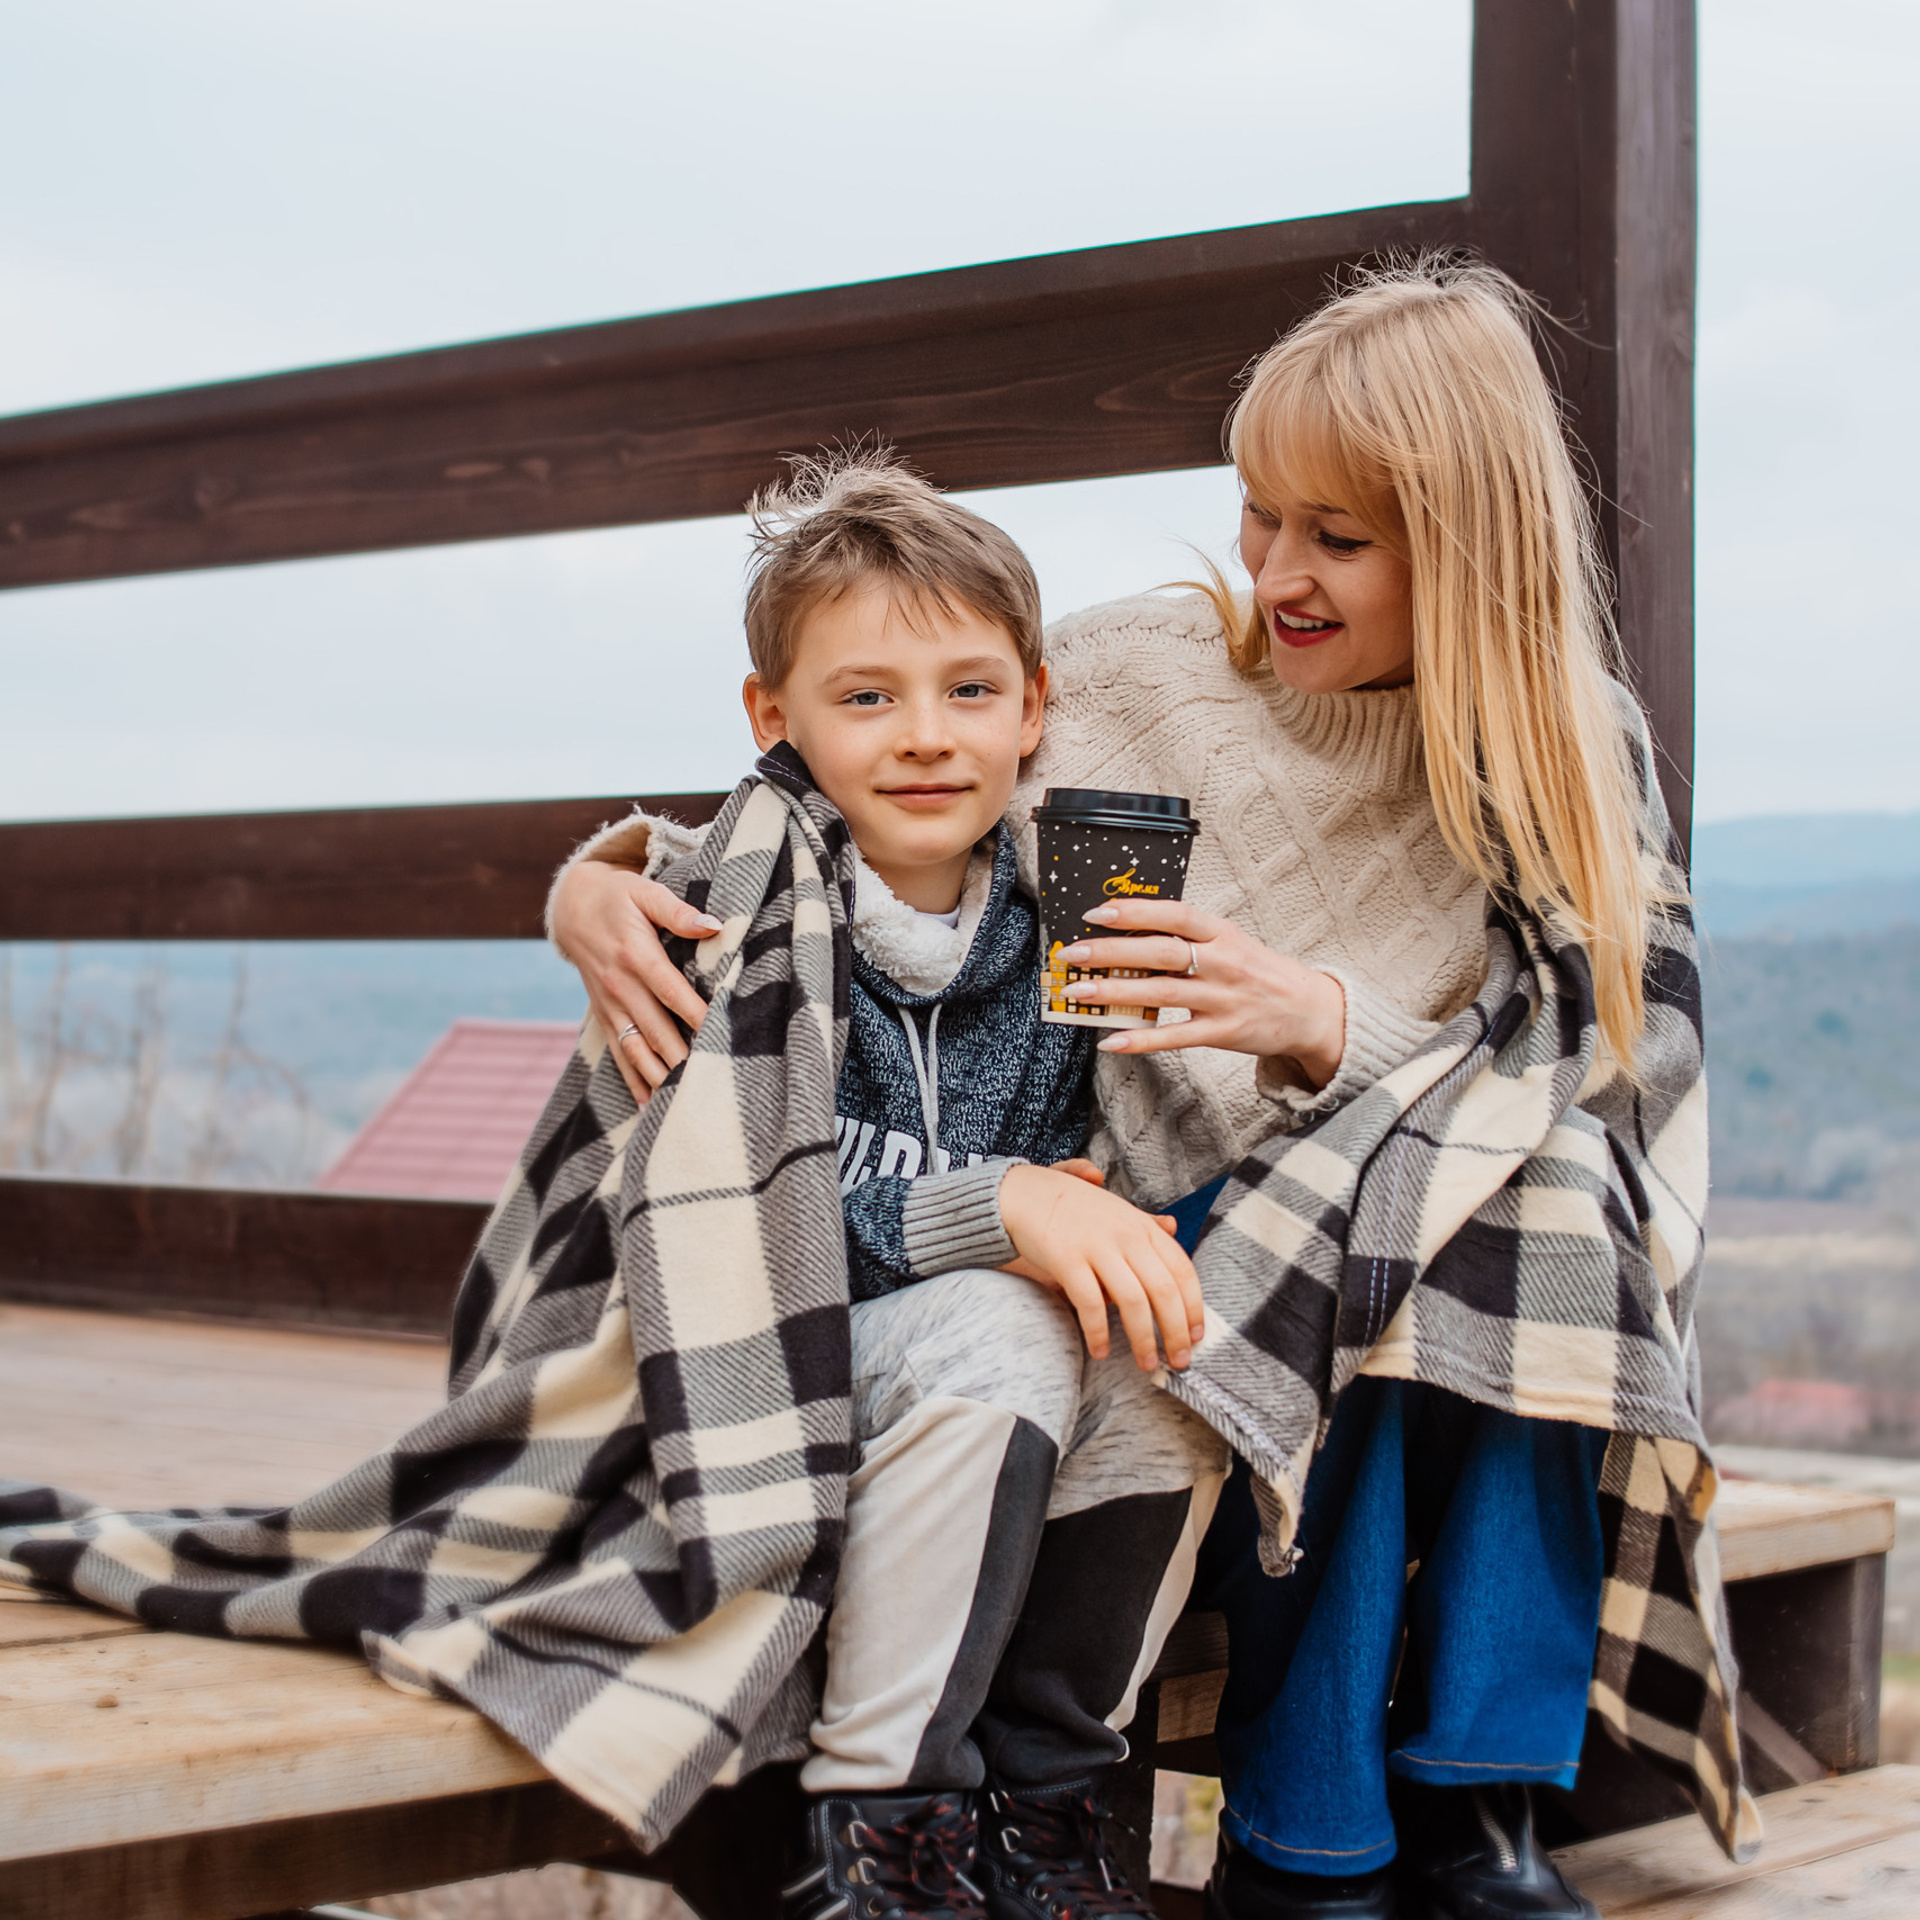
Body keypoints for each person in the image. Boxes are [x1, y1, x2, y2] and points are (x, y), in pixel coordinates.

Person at [550, 259, 1726, 1920]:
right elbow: (848, 771)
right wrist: (597, 884)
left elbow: (1620, 1072)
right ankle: (1312, 1838)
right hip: (1152, 1228)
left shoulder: (1567, 748)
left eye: (1338, 537)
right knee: (1357, 1237)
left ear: (1467, 546)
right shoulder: (1141, 675)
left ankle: (1479, 1808)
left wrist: (1322, 1023)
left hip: (1424, 1249)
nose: (1276, 571)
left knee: (1515, 1186)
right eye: (1260, 513)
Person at [560, 449, 1230, 1920]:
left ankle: (1050, 1807)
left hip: (960, 1408)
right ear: (775, 718)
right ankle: (884, 1827)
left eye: (969, 691)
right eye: (866, 697)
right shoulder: (721, 919)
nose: (926, 737)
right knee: (1003, 1314)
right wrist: (1000, 1209)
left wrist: (1082, 1200)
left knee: (1177, 1344)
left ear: (1033, 708)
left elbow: (1154, 1142)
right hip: (739, 1385)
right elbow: (724, 1226)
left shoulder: (1072, 919)